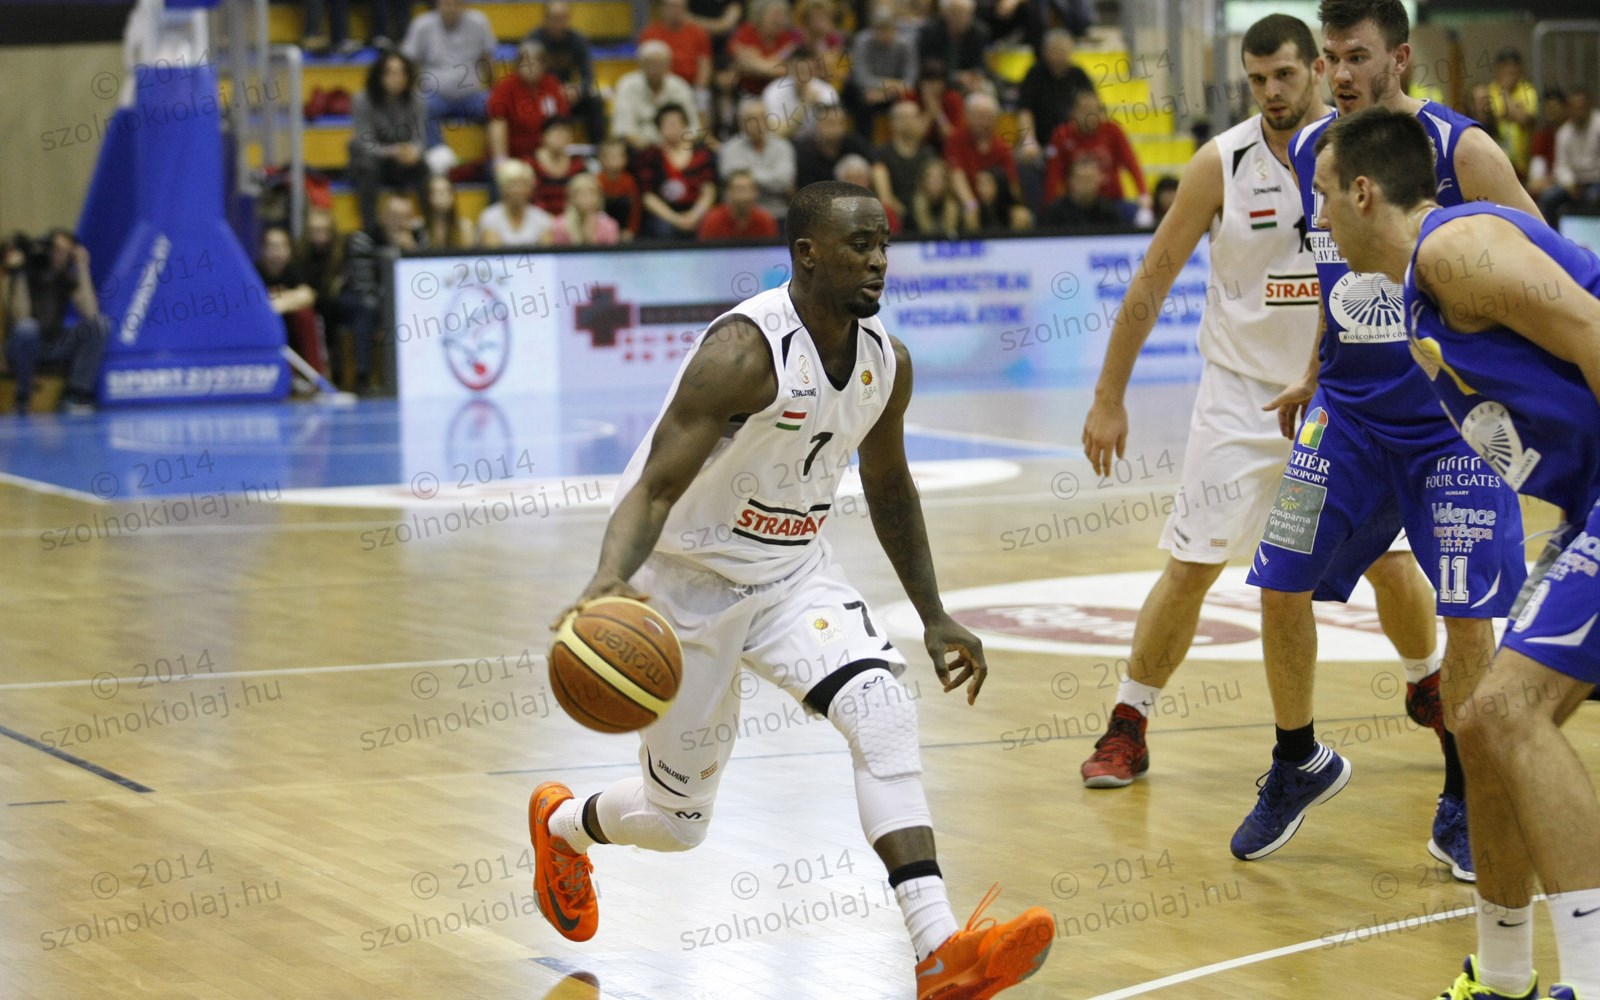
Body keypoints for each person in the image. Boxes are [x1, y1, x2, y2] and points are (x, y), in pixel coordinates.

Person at [527, 180, 1055, 1000]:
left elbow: (890, 487)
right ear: (807, 254)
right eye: (859, 245)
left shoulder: (886, 362)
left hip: (790, 573)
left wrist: (934, 614)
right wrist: (609, 579)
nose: (879, 260)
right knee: (676, 824)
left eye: (884, 243)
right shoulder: (743, 355)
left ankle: (938, 950)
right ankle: (563, 826)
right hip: (683, 585)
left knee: (882, 710)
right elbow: (655, 488)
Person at [1076, 14, 1438, 794]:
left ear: (1317, 70)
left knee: (1392, 560)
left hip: (1339, 398)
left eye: (1285, 75)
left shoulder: (1362, 152)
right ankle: (1129, 721)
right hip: (1240, 398)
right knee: (1193, 563)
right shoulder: (1223, 161)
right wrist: (1108, 397)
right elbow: (1152, 280)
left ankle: (1426, 681)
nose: (1271, 91)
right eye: (1257, 79)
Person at [1235, 0, 1541, 883]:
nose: (1339, 74)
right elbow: (1336, 273)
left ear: (1399, 58)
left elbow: (1544, 265)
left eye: (1357, 56)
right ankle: (1298, 760)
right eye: (1330, 57)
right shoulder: (1311, 148)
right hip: (1346, 418)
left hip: (1453, 430)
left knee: (1467, 616)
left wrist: (1517, 385)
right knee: (1278, 579)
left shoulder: (1461, 150)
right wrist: (1313, 368)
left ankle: (1466, 799)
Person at [1310, 102, 1600, 1000]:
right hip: (1587, 504)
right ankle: (1505, 978)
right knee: (1479, 721)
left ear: (1364, 192)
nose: (1318, 217)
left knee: (1508, 711)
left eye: (1324, 195)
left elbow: (1596, 333)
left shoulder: (1454, 249)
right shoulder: (1419, 289)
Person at [2, 229, 108, 414]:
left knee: (101, 325)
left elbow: (91, 314)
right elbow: (21, 318)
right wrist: (19, 272)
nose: (60, 256)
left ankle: (76, 393)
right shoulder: (26, 272)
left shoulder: (65, 277)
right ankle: (22, 396)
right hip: (20, 345)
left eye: (67, 252)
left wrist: (82, 266)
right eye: (57, 250)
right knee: (28, 328)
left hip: (53, 343)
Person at [341, 193, 420, 394]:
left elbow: (428, 278)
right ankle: (363, 377)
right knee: (367, 307)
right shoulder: (363, 238)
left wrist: (411, 251)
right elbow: (364, 285)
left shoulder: (419, 237)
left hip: (403, 299)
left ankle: (420, 373)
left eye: (404, 217)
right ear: (382, 217)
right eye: (393, 216)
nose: (398, 223)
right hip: (361, 297)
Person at [347, 51, 430, 233]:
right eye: (391, 73)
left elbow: (420, 138)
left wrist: (414, 151)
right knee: (367, 167)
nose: (397, 78)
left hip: (401, 161)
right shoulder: (363, 100)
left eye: (401, 73)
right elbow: (363, 141)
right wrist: (392, 151)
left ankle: (429, 226)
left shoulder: (416, 101)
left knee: (424, 168)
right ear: (380, 75)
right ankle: (369, 230)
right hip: (372, 160)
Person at [401, 0, 498, 149]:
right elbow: (409, 62)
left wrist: (494, 88)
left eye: (456, 4)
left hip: (471, 95)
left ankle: (496, 156)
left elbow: (487, 58)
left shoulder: (479, 22)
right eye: (447, 4)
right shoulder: (422, 25)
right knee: (419, 107)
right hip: (434, 95)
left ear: (464, 5)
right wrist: (412, 91)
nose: (451, 9)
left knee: (498, 106)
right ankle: (437, 154)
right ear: (437, 4)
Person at [1015, 28, 1093, 203]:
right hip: (1043, 145)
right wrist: (1029, 141)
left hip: (1074, 143)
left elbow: (1091, 108)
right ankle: (1040, 212)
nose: (1060, 56)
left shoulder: (1078, 75)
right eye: (1056, 51)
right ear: (1045, 52)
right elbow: (1024, 111)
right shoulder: (1034, 74)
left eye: (1064, 51)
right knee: (1026, 161)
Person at [1044, 89, 1145, 221]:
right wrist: (1049, 204)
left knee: (1140, 216)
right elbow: (1054, 174)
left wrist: (1143, 193)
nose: (1091, 116)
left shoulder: (1112, 130)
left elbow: (1131, 163)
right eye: (1085, 110)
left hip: (1112, 201)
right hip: (1076, 204)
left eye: (1095, 110)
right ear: (1073, 112)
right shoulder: (1062, 135)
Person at [943, 91, 1029, 231]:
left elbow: (1012, 183)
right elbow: (957, 176)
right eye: (977, 116)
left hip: (996, 201)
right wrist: (970, 203)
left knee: (1021, 216)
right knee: (965, 212)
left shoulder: (1002, 147)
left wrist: (1012, 203)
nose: (982, 121)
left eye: (986, 116)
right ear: (967, 116)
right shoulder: (956, 140)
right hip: (966, 200)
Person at [529, 1, 608, 145]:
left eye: (563, 18)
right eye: (554, 18)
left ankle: (599, 149)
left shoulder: (578, 40)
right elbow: (527, 76)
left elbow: (588, 76)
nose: (558, 23)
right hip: (542, 95)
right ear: (545, 18)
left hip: (569, 95)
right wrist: (554, 90)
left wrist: (578, 89)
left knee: (595, 102)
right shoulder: (534, 40)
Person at [635, 104, 719, 238]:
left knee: (711, 223)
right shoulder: (651, 155)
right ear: (659, 128)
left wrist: (694, 216)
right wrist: (675, 219)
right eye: (667, 124)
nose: (671, 128)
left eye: (675, 123)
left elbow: (709, 191)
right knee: (662, 229)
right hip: (665, 213)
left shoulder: (700, 153)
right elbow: (648, 197)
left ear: (685, 125)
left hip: (696, 210)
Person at [256, 225, 327, 381]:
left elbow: (307, 295)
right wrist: (286, 299)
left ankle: (314, 376)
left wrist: (277, 304)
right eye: (273, 246)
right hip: (267, 327)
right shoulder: (254, 271)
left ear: (289, 249)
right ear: (263, 249)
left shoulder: (296, 269)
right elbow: (252, 304)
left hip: (293, 325)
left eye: (282, 246)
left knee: (305, 315)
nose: (277, 252)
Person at [488, 41, 570, 173]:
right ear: (518, 65)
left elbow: (561, 121)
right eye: (526, 63)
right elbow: (497, 123)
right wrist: (501, 161)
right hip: (514, 156)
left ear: (544, 65)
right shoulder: (505, 87)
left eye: (536, 62)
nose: (531, 67)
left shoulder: (551, 84)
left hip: (545, 155)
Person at [610, 40, 703, 154]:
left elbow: (694, 128)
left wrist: (675, 150)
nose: (655, 69)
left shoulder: (680, 87)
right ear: (641, 65)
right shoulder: (627, 86)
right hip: (639, 150)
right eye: (650, 64)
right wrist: (654, 153)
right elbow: (623, 130)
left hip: (677, 149)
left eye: (660, 64)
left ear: (669, 65)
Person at [845, 3, 917, 141]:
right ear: (872, 28)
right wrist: (889, 85)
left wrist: (886, 93)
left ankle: (901, 144)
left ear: (895, 29)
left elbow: (910, 80)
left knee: (910, 100)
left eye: (886, 28)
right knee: (861, 98)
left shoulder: (906, 45)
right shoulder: (862, 41)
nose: (882, 33)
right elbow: (861, 77)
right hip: (868, 91)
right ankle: (863, 144)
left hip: (893, 92)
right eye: (878, 28)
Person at [718, 97, 797, 220]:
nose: (757, 124)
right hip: (740, 216)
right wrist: (771, 177)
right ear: (741, 123)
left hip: (777, 213)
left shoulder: (783, 147)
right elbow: (730, 177)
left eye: (761, 118)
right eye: (751, 119)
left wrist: (748, 177)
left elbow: (784, 181)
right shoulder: (729, 148)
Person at [297, 208, 347, 384]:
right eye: (314, 231)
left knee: (333, 311)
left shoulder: (341, 251)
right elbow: (301, 283)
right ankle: (310, 373)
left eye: (323, 231)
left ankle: (335, 373)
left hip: (332, 303)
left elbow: (340, 283)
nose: (319, 236)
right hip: (311, 301)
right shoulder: (301, 252)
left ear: (331, 231)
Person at [1539, 89, 1600, 226]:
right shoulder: (1564, 133)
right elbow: (1561, 165)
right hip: (1573, 183)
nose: (1578, 112)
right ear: (1569, 109)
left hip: (1596, 181)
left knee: (1593, 198)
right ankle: (1552, 235)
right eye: (1574, 108)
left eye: (1581, 107)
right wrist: (1570, 183)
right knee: (1547, 198)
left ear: (1589, 105)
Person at [639, 0, 714, 106]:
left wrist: (698, 88)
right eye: (672, 7)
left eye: (679, 7)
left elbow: (705, 66)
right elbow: (644, 66)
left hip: (692, 87)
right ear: (662, 8)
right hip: (660, 87)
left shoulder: (698, 33)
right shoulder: (650, 33)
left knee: (702, 97)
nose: (675, 11)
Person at [873, 99, 934, 221]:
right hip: (896, 215)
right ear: (892, 123)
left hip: (926, 212)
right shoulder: (881, 154)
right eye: (903, 118)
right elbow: (885, 196)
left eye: (912, 117)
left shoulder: (928, 153)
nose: (908, 122)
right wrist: (905, 215)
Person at [762, 46, 841, 140]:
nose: (802, 76)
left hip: (816, 142)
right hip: (787, 141)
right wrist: (804, 104)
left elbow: (832, 132)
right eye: (799, 70)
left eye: (807, 70)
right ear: (789, 69)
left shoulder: (827, 92)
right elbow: (777, 133)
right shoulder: (773, 92)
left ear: (814, 70)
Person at [728, 0, 802, 98]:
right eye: (775, 15)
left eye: (784, 15)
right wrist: (781, 67)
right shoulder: (745, 33)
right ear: (760, 15)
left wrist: (761, 64)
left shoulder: (789, 37)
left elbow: (799, 69)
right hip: (748, 93)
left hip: (782, 92)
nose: (780, 20)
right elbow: (749, 65)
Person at [916, 0, 990, 94]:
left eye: (966, 14)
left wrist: (975, 75)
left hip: (969, 80)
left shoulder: (979, 32)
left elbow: (981, 64)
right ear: (945, 13)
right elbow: (927, 65)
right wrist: (956, 76)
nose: (961, 18)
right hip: (938, 79)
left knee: (985, 89)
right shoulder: (929, 31)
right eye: (956, 13)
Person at [1485, 48, 1538, 179]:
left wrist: (1505, 93)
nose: (1510, 72)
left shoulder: (1528, 90)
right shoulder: (1490, 90)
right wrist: (1515, 109)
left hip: (1521, 164)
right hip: (1494, 160)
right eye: (1506, 68)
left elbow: (1524, 119)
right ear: (1498, 70)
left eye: (1514, 68)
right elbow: (1491, 120)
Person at [478, 158, 555, 246]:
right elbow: (493, 251)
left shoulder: (542, 218)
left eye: (523, 185)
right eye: (512, 185)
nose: (518, 190)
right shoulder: (489, 217)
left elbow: (546, 251)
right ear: (502, 188)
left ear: (530, 189)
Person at [794, 106, 873, 188]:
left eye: (840, 123)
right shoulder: (806, 151)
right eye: (830, 123)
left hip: (850, 193)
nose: (836, 128)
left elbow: (875, 162)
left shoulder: (854, 143)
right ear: (818, 125)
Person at [696, 168, 781, 238]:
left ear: (755, 192)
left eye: (746, 189)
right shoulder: (712, 221)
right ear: (728, 193)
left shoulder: (765, 221)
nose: (742, 195)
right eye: (738, 189)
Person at [1037, 157, 1119, 228]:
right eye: (1081, 179)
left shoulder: (1109, 211)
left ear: (1099, 180)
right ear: (1071, 181)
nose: (1086, 184)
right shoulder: (1055, 213)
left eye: (1090, 179)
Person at [530, 116, 587, 215]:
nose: (561, 137)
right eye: (556, 132)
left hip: (570, 217)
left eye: (566, 132)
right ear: (543, 135)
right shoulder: (530, 164)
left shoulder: (577, 164)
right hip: (536, 216)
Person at [549, 173, 622, 246]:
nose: (587, 196)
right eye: (581, 192)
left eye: (592, 191)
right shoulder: (559, 225)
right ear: (571, 197)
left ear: (599, 196)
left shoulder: (609, 225)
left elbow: (612, 252)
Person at [905, 157, 968, 238]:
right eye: (930, 177)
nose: (935, 182)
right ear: (922, 181)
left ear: (947, 181)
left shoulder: (957, 209)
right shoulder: (911, 210)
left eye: (939, 177)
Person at [596, 138, 642, 240]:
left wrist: (631, 230)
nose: (615, 160)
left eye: (619, 156)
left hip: (625, 230)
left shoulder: (629, 181)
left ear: (625, 159)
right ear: (601, 159)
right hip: (602, 231)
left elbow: (635, 209)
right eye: (611, 156)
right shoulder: (597, 181)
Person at [1527, 87, 1568, 202]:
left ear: (1565, 108)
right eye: (1547, 108)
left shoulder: (1572, 131)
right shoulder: (1542, 136)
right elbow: (1535, 181)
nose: (1551, 111)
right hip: (1552, 185)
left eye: (1554, 107)